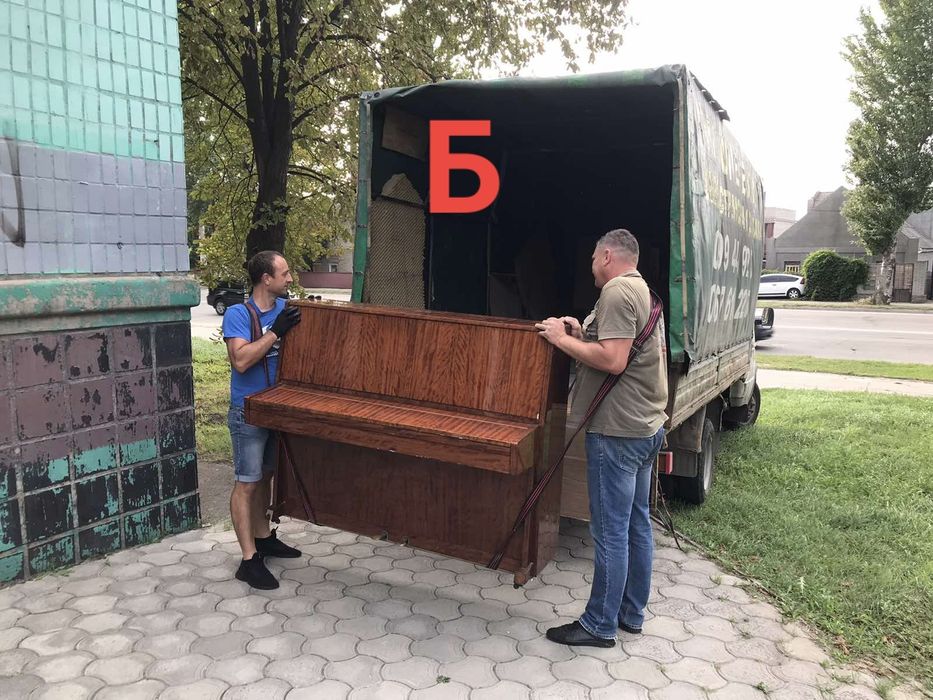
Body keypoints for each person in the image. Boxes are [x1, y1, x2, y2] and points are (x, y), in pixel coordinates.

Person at [535, 228, 668, 648]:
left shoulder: (614, 293)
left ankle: (599, 625)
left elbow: (613, 361)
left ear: (607, 255)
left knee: (610, 531)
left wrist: (559, 340)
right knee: (635, 525)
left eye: (594, 257)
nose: (591, 264)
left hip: (617, 431)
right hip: (645, 426)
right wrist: (581, 333)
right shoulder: (641, 290)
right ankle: (630, 615)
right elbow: (623, 350)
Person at [222, 250, 303, 590]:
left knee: (267, 476)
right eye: (284, 273)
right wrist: (274, 333)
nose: (289, 278)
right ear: (266, 279)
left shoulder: (288, 309)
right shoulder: (239, 314)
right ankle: (248, 560)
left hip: (277, 408)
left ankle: (264, 537)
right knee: (247, 482)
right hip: (249, 410)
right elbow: (240, 361)